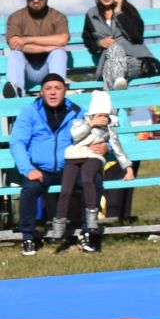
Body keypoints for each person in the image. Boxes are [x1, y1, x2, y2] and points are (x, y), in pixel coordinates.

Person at [10, 72, 82, 256]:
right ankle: (27, 237)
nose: (53, 93)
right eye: (48, 89)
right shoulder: (29, 111)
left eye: (57, 88)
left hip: (70, 167)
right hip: (39, 168)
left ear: (65, 91)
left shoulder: (76, 111)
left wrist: (103, 146)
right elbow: (17, 142)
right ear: (41, 92)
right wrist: (28, 169)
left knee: (93, 181)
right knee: (30, 189)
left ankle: (88, 231)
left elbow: (96, 133)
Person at [52, 89, 131, 252]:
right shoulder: (80, 120)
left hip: (92, 158)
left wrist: (126, 166)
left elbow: (117, 148)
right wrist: (90, 124)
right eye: (100, 115)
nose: (103, 118)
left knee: (90, 180)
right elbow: (75, 136)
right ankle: (59, 224)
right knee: (66, 189)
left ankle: (90, 223)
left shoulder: (107, 129)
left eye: (106, 115)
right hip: (73, 157)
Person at [82, 0, 156, 90]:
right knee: (112, 59)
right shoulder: (91, 14)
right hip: (108, 62)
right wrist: (99, 43)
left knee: (114, 51)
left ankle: (111, 100)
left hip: (135, 61)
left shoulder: (128, 10)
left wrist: (119, 13)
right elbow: (88, 40)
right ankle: (117, 81)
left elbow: (137, 36)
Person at [6, 0, 70, 94]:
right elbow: (14, 44)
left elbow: (62, 39)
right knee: (14, 54)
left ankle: (57, 90)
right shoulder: (16, 17)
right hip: (26, 71)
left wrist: (27, 39)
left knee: (59, 53)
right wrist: (47, 47)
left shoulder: (57, 16)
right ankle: (16, 91)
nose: (36, 0)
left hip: (48, 69)